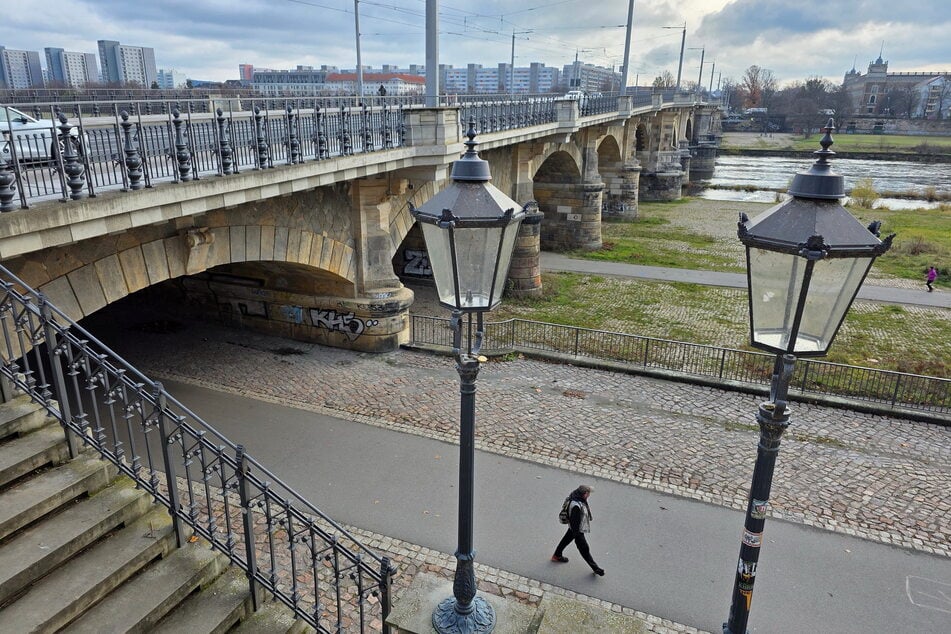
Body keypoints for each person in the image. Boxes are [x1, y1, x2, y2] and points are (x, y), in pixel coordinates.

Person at [551, 484, 605, 576]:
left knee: (566, 540)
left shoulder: (575, 497)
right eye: (588, 493)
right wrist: (578, 537)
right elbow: (575, 523)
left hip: (574, 528)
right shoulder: (576, 506)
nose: (589, 495)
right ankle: (596, 569)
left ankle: (557, 555)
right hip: (577, 531)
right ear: (584, 494)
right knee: (584, 549)